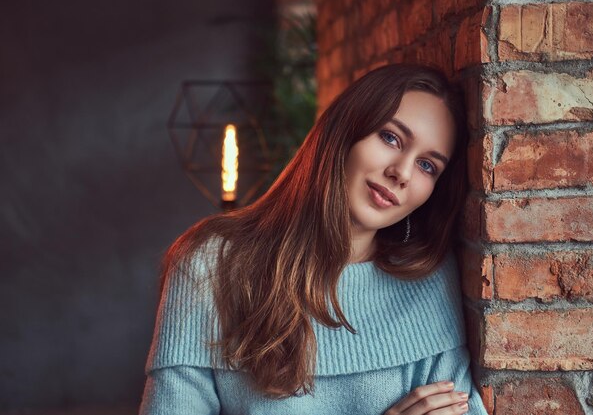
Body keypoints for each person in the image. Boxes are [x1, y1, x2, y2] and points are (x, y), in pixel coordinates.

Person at [139, 63, 488, 415]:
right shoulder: (209, 265)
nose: (402, 172)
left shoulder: (428, 279)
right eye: (390, 137)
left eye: (428, 165)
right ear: (345, 131)